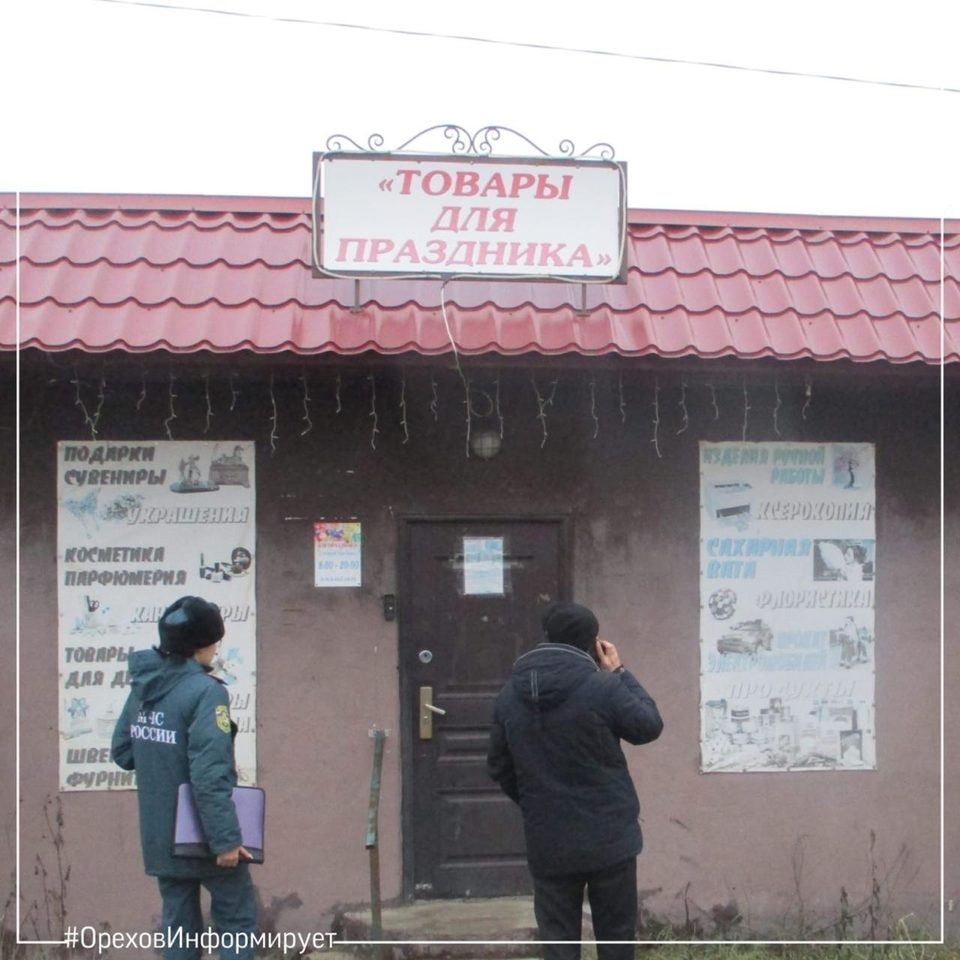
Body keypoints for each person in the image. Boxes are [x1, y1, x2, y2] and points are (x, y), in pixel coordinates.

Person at [488, 601, 663, 960]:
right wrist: (620, 672)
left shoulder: (509, 696)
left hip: (549, 838)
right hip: (610, 837)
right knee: (615, 939)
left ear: (547, 637)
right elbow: (648, 726)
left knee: (558, 942)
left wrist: (538, 800)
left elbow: (498, 766)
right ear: (593, 644)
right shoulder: (603, 687)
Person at [112, 596, 256, 960]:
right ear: (200, 646)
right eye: (214, 641)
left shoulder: (144, 687)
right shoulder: (207, 691)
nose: (215, 649)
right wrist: (224, 841)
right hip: (203, 836)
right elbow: (209, 775)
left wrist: (162, 757)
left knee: (178, 929)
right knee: (236, 921)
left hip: (161, 834)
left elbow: (124, 753)